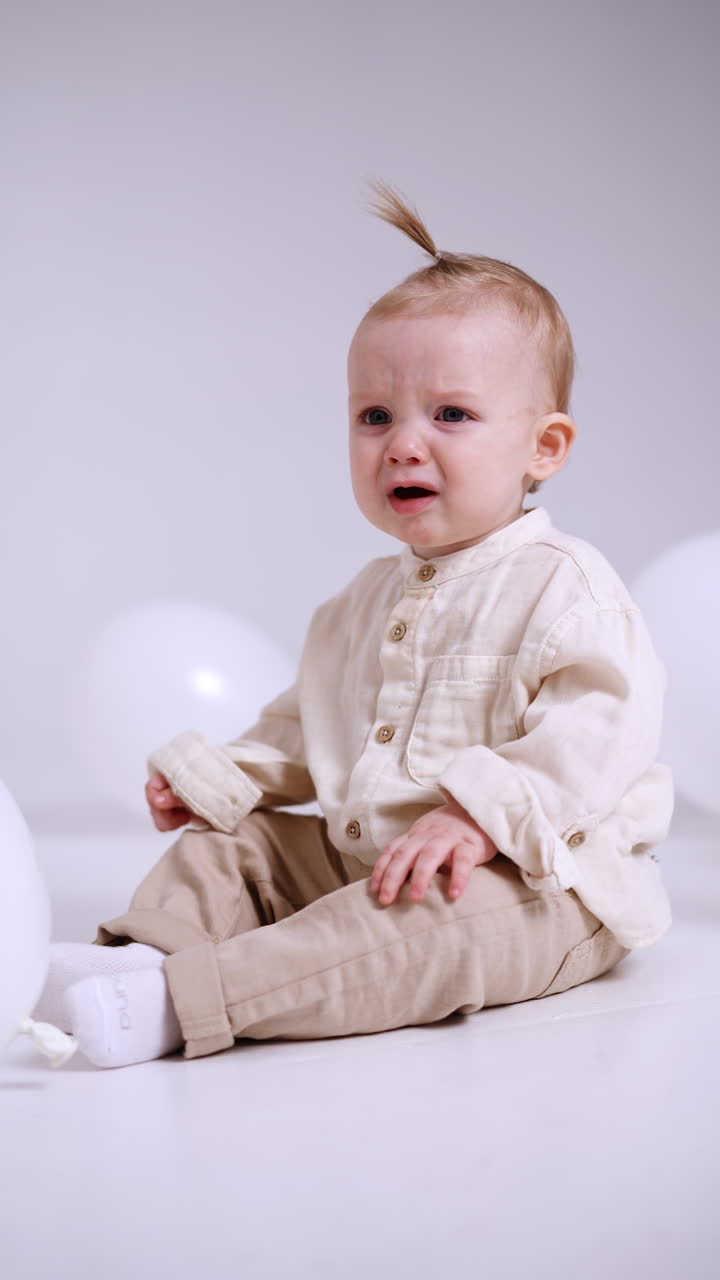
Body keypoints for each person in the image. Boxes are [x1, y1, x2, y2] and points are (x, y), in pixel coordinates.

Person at [35, 181, 674, 1068]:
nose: (404, 444)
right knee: (238, 848)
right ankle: (141, 959)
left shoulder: (567, 589)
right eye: (376, 416)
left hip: (535, 883)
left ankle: (182, 1005)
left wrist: (478, 817)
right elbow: (309, 727)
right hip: (366, 853)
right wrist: (225, 780)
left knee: (425, 928)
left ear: (544, 448)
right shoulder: (361, 603)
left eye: (451, 414)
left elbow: (598, 737)